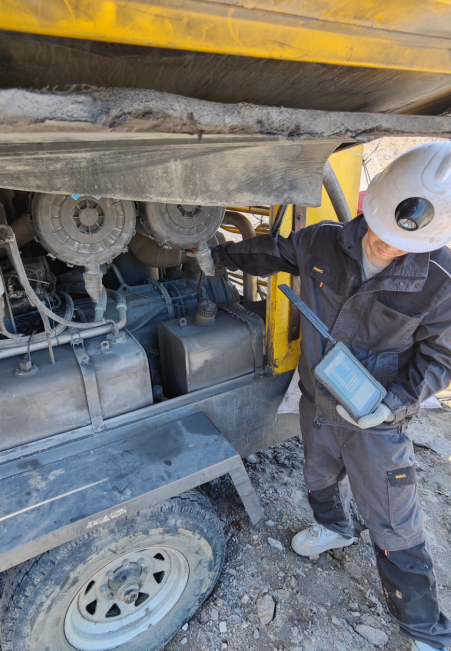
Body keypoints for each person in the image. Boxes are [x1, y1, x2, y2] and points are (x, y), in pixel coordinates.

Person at [211, 141, 451, 651]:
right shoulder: (322, 241)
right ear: (373, 204)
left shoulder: (440, 282)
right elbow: (272, 252)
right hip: (318, 399)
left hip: (376, 417)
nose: (387, 246)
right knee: (318, 473)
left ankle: (426, 631)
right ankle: (335, 528)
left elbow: (441, 359)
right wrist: (214, 254)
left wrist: (393, 404)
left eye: (403, 244)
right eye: (381, 232)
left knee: (394, 519)